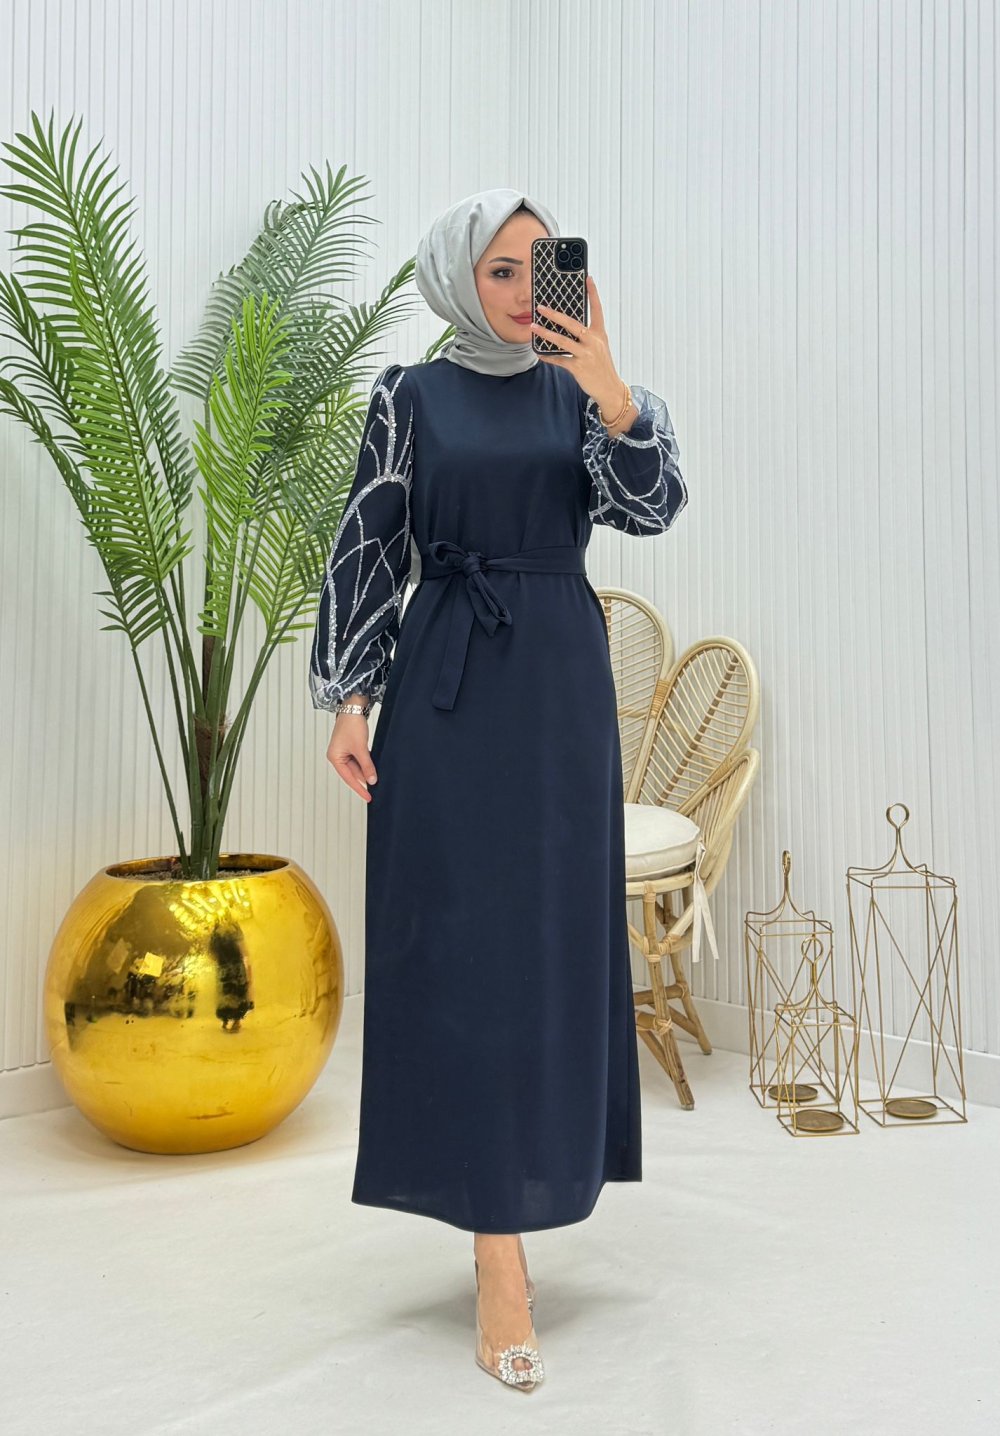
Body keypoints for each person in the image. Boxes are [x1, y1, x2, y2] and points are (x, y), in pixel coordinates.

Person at [308, 188, 688, 1392]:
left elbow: (651, 507)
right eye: (502, 269)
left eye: (542, 265)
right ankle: (496, 1250)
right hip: (447, 691)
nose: (527, 291)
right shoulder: (408, 395)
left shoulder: (584, 393)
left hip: (559, 698)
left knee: (547, 953)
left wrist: (614, 393)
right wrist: (350, 695)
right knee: (459, 954)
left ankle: (529, 1188)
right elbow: (369, 540)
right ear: (458, 278)